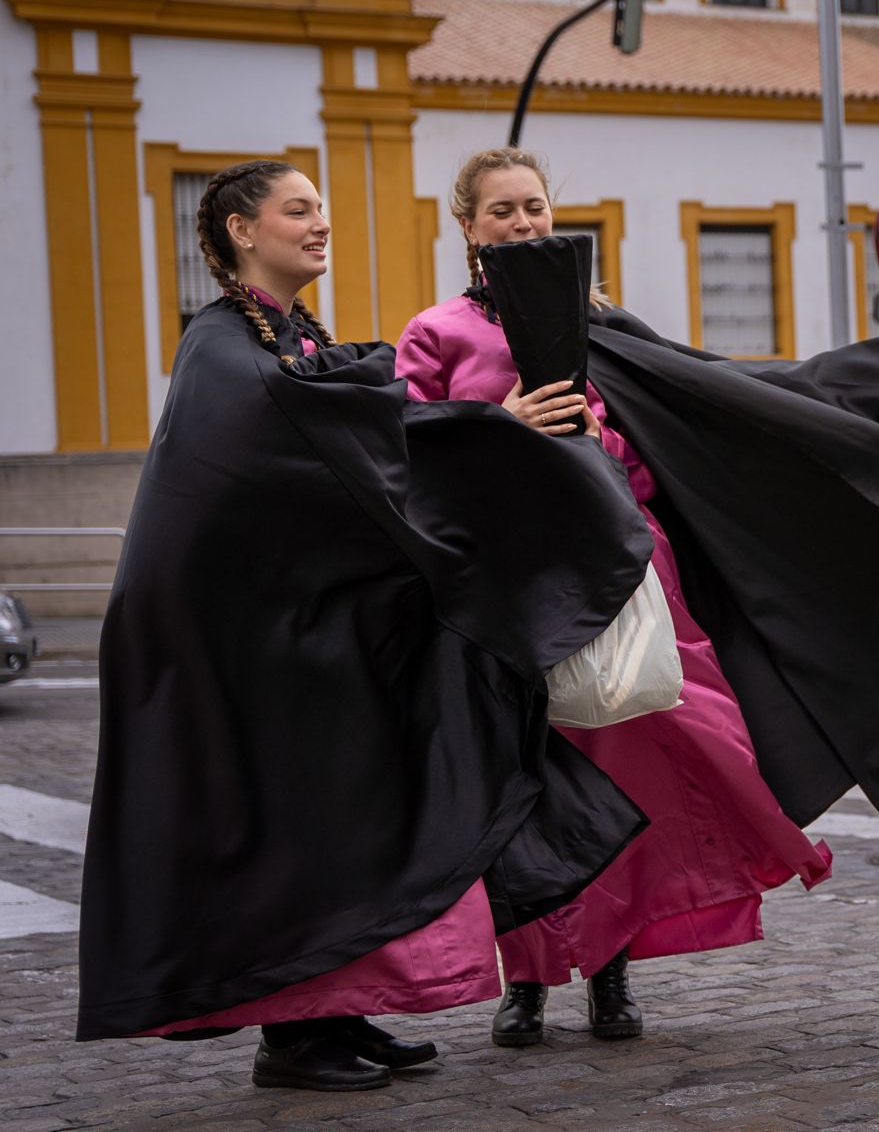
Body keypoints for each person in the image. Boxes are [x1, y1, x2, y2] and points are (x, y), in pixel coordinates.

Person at [78, 160, 652, 1093]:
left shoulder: (287, 333)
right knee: (284, 825)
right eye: (298, 210)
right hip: (232, 639)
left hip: (296, 629)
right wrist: (491, 424)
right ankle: (293, 1039)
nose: (320, 225)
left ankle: (331, 1014)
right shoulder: (222, 346)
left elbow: (357, 434)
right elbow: (312, 441)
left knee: (329, 821)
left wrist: (480, 430)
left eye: (323, 209)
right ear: (238, 232)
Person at [396, 148, 834, 1048]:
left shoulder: (603, 322)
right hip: (504, 592)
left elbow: (656, 455)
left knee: (629, 773)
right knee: (524, 783)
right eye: (502, 211)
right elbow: (401, 453)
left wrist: (600, 436)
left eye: (535, 208)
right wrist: (498, 426)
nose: (522, 224)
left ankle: (610, 972)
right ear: (468, 228)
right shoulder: (435, 332)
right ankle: (525, 982)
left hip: (617, 577)